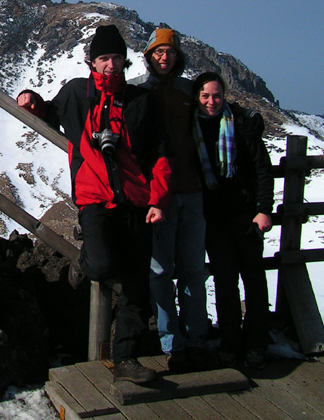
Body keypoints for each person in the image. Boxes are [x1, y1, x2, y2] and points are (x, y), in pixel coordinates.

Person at [16, 24, 172, 384]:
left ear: (125, 61)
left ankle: (126, 360)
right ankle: (83, 260)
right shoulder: (76, 93)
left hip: (136, 202)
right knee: (102, 266)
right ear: (92, 62)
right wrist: (30, 99)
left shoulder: (140, 101)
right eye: (104, 58)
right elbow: (51, 113)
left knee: (137, 285)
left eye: (116, 58)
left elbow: (162, 155)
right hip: (94, 198)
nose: (111, 65)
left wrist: (158, 199)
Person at [130, 27, 209, 372]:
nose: (164, 57)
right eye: (158, 52)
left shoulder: (189, 91)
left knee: (194, 270)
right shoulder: (139, 94)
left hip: (192, 191)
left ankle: (197, 341)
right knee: (159, 271)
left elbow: (218, 113)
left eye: (170, 52)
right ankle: (171, 343)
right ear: (149, 56)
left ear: (178, 57)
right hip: (158, 196)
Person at [192, 72, 274, 369]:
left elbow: (261, 168)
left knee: (254, 279)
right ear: (197, 98)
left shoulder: (241, 124)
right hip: (214, 218)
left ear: (224, 95)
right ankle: (231, 343)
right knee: (225, 281)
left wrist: (264, 208)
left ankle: (256, 343)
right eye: (205, 96)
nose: (211, 102)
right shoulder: (191, 128)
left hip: (246, 214)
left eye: (216, 95)